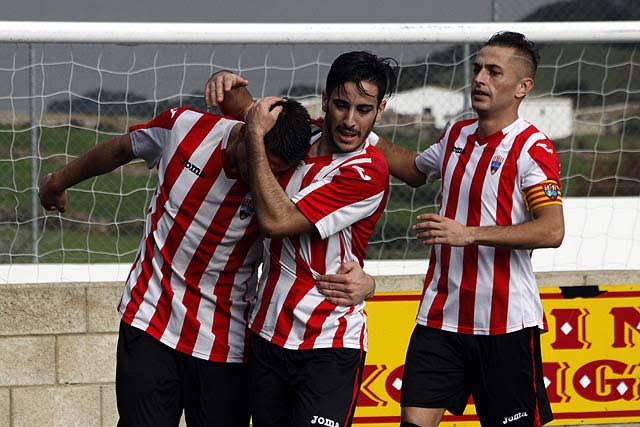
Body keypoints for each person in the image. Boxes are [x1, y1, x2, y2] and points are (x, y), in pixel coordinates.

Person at [39, 99, 313, 427]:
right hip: (151, 319)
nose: (260, 173)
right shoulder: (184, 127)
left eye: (271, 169)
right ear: (244, 134)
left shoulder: (287, 178)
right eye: (256, 159)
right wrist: (59, 181)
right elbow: (121, 150)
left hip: (224, 341)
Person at [371, 32, 564, 427]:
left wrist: (470, 234)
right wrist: (365, 133)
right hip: (441, 318)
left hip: (505, 324)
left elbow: (550, 231)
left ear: (522, 87)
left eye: (494, 72)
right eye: (477, 68)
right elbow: (412, 170)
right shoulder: (456, 135)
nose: (479, 79)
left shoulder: (532, 148)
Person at [205, 51, 396, 427]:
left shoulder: (367, 171)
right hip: (267, 335)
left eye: (363, 110)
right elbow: (248, 107)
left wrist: (257, 140)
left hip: (327, 341)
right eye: (341, 105)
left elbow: (276, 221)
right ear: (324, 101)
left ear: (380, 112)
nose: (350, 120)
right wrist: (225, 80)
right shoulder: (302, 134)